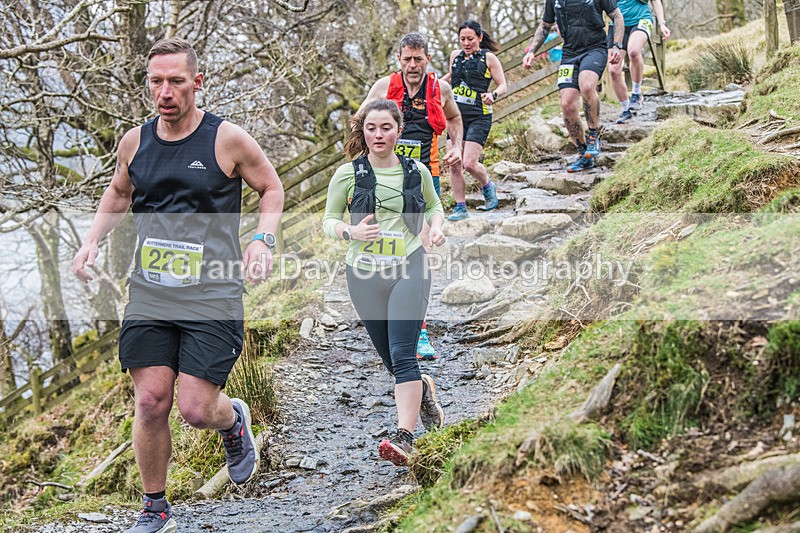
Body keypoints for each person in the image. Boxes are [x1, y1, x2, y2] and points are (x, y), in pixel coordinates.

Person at [71, 38, 284, 533]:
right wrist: (91, 242)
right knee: (150, 401)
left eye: (176, 81)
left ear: (197, 83)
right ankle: (155, 508)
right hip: (151, 288)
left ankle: (232, 422)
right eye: (156, 81)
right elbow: (118, 193)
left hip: (213, 290)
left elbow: (271, 187)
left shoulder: (226, 139)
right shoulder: (135, 141)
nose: (164, 92)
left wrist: (262, 240)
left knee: (194, 408)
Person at [322, 99, 446, 466]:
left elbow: (434, 206)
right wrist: (350, 230)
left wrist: (436, 228)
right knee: (393, 360)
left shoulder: (416, 170)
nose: (378, 134)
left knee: (404, 354)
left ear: (399, 130)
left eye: (386, 128)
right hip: (363, 275)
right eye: (371, 128)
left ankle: (404, 437)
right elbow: (328, 220)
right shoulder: (348, 174)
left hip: (410, 266)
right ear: (363, 131)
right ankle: (423, 387)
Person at [359, 32, 463, 361]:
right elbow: (359, 123)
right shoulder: (383, 88)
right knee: (386, 250)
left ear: (427, 59)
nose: (413, 65)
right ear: (399, 60)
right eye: (407, 59)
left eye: (419, 59)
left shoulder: (440, 89)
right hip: (385, 178)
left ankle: (419, 330)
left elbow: (455, 118)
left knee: (420, 254)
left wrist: (456, 145)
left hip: (422, 178)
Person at [523, 0, 624, 173]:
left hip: (595, 49)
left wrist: (616, 45)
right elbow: (545, 24)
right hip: (569, 54)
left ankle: (593, 135)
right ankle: (583, 153)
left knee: (586, 85)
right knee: (567, 104)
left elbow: (617, 16)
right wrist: (532, 51)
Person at [442, 20, 507, 221]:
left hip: (480, 115)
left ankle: (487, 185)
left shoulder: (489, 58)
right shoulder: (455, 56)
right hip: (455, 117)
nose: (466, 43)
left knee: (469, 163)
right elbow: (452, 77)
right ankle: (460, 207)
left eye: (470, 39)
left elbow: (503, 84)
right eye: (462, 39)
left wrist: (493, 95)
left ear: (479, 38)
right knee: (454, 162)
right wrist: (433, 85)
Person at [608, 0, 670, 123]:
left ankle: (636, 94)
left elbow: (656, 1)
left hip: (641, 19)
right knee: (614, 70)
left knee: (634, 51)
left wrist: (662, 23)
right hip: (617, 24)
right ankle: (626, 110)